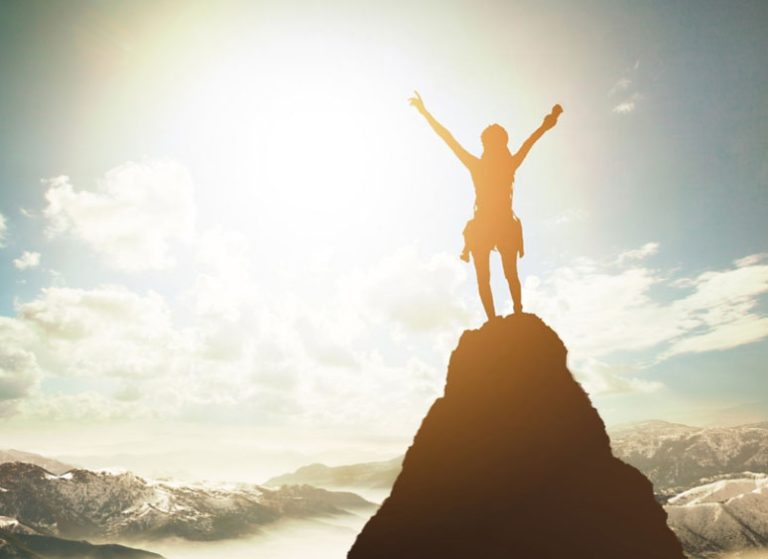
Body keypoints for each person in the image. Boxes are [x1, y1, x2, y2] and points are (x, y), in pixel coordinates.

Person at [408, 91, 562, 321]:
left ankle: (510, 314)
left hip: (491, 224)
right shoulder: (505, 164)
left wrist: (549, 122)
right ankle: (500, 318)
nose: (491, 147)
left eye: (493, 142)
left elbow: (448, 138)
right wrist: (425, 113)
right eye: (491, 142)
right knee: (499, 274)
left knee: (501, 274)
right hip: (492, 224)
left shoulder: (483, 165)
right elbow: (531, 139)